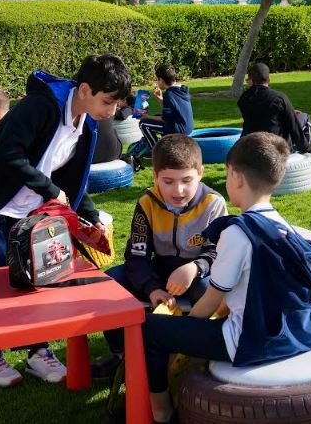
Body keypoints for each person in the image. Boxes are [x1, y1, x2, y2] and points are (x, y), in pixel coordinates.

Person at [0, 54, 131, 387]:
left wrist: (90, 215)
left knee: (33, 280)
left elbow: (70, 177)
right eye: (107, 101)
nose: (111, 111)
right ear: (85, 90)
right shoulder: (41, 106)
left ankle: (37, 350)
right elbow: (7, 153)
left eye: (116, 104)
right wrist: (49, 190)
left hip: (28, 211)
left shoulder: (87, 123)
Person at [141, 133, 311, 424]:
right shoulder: (287, 227)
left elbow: (210, 303)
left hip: (252, 341)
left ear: (236, 176)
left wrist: (183, 332)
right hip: (300, 332)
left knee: (149, 329)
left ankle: (161, 413)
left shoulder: (237, 233)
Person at [91, 133, 228, 380]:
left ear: (201, 173)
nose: (178, 190)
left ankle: (200, 355)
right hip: (159, 270)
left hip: (200, 274)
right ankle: (122, 354)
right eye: (168, 181)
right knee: (110, 283)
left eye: (187, 180)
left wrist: (195, 268)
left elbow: (218, 251)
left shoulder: (213, 203)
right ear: (155, 177)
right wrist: (152, 288)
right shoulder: (147, 203)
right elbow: (137, 255)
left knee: (213, 293)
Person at [238, 63, 311, 154]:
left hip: (253, 146)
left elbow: (261, 113)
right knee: (304, 117)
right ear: (268, 80)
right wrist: (308, 151)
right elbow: (294, 128)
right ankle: (308, 153)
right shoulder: (279, 98)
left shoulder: (243, 99)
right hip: (278, 148)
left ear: (251, 80)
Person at [133, 64, 194, 159]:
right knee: (155, 116)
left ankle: (156, 153)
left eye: (157, 80)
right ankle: (165, 147)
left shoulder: (169, 94)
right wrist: (160, 98)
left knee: (143, 124)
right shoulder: (182, 89)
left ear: (161, 80)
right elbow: (170, 110)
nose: (157, 82)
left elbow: (164, 119)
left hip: (179, 130)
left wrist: (146, 116)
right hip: (187, 126)